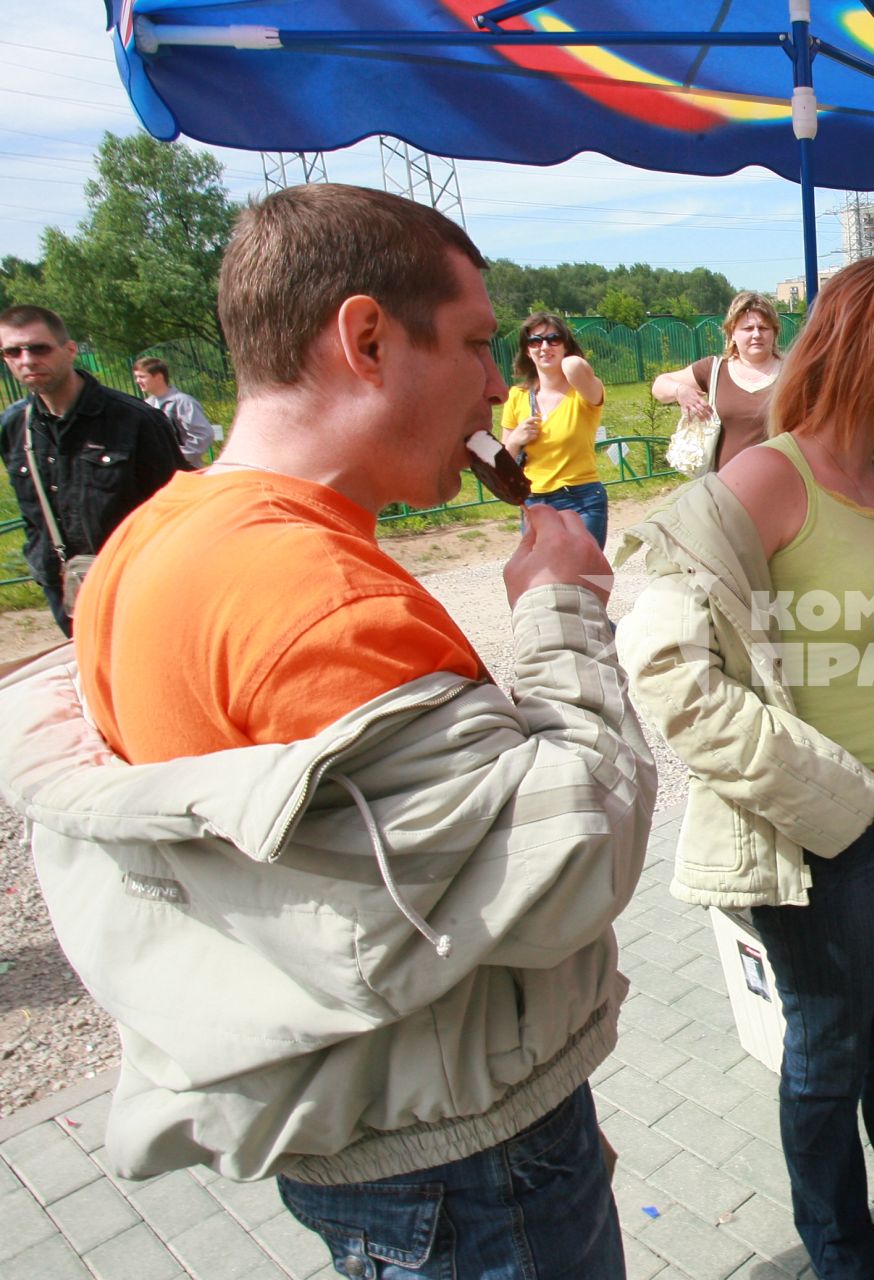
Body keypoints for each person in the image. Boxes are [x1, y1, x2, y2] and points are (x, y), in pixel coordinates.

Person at [0, 184, 656, 1279]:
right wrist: (561, 607)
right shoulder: (322, 601)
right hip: (459, 1160)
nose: (500, 383)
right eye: (478, 343)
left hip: (361, 1134)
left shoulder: (148, 539)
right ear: (365, 336)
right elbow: (572, 855)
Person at [617, 256, 874, 1280]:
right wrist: (832, 798)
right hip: (824, 833)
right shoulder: (762, 481)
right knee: (829, 1056)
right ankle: (840, 1248)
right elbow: (668, 674)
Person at [0, 306, 183, 635]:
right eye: (13, 351)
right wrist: (41, 565)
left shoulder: (134, 420)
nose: (26, 360)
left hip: (135, 591)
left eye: (39, 348)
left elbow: (177, 514)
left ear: (69, 350)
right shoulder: (14, 426)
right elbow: (32, 516)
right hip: (67, 595)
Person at [500, 311, 610, 546]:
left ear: (566, 345)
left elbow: (575, 367)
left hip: (582, 499)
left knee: (587, 575)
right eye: (535, 341)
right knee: (544, 577)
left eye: (554, 339)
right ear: (527, 351)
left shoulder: (583, 392)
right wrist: (515, 440)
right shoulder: (516, 397)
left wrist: (568, 358)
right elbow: (502, 464)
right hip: (534, 501)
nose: (544, 346)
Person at [650, 290, 784, 470]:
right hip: (725, 488)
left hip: (782, 484)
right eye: (748, 328)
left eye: (764, 328)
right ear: (732, 333)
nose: (756, 334)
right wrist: (680, 391)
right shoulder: (714, 369)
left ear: (774, 332)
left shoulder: (794, 370)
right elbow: (660, 385)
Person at [133, 355, 218, 465]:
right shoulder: (146, 405)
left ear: (158, 377)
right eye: (136, 377)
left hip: (185, 472)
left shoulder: (183, 402)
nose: (137, 381)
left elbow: (204, 434)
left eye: (142, 376)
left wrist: (178, 457)